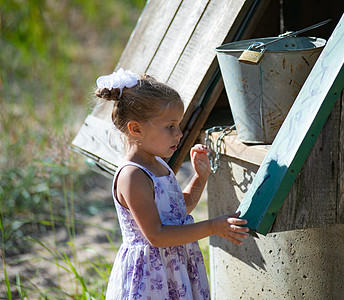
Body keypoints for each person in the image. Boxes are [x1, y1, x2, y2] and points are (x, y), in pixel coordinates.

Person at [95, 68, 249, 299]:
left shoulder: (158, 163)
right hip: (151, 276)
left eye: (178, 125)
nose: (179, 134)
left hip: (173, 269)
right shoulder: (132, 176)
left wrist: (200, 177)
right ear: (135, 128)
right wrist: (212, 227)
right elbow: (156, 234)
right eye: (170, 127)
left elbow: (177, 211)